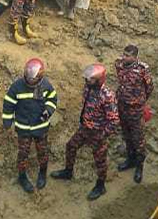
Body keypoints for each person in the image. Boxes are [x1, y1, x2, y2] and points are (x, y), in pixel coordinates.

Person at [51, 63, 120, 201]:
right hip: (85, 128)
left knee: (100, 161)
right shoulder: (88, 88)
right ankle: (68, 172)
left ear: (99, 79)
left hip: (98, 133)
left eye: (91, 79)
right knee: (71, 146)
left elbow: (114, 120)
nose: (87, 81)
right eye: (87, 78)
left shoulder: (107, 96)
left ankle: (100, 186)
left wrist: (102, 135)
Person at [2, 58, 58, 194]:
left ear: (40, 76)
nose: (30, 81)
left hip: (41, 127)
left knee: (42, 152)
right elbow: (8, 104)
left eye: (33, 79)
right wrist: (7, 121)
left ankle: (42, 173)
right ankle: (22, 177)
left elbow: (52, 98)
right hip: (23, 128)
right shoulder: (17, 87)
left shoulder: (45, 85)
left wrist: (48, 111)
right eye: (28, 78)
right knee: (23, 154)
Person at [114, 45, 154, 184]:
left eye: (128, 56)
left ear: (135, 57)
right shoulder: (119, 64)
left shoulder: (142, 69)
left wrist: (139, 100)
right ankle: (130, 159)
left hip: (135, 109)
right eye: (124, 54)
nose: (124, 57)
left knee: (138, 138)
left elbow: (149, 87)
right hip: (122, 106)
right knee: (126, 135)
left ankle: (139, 166)